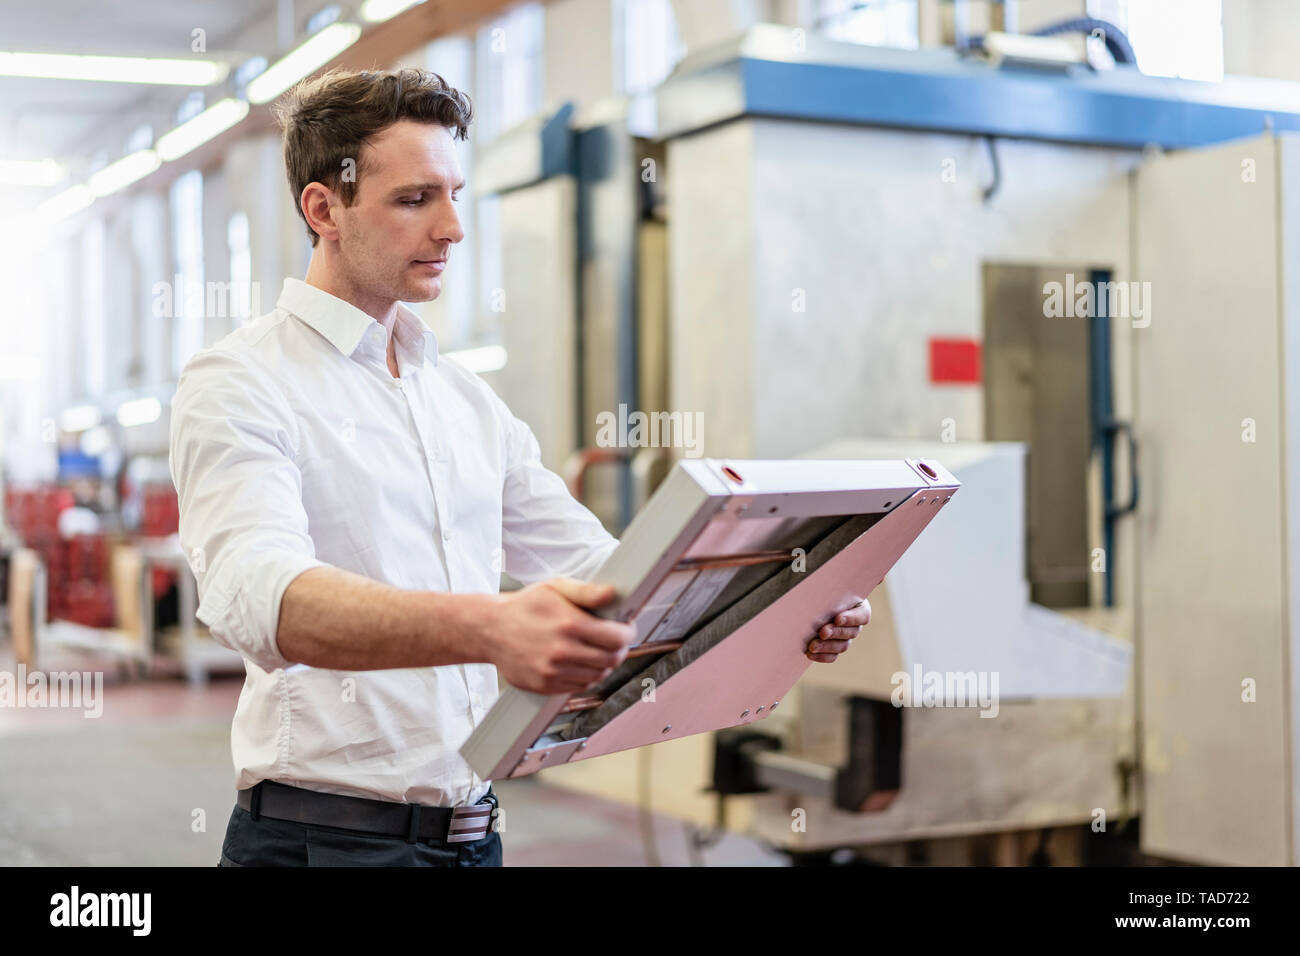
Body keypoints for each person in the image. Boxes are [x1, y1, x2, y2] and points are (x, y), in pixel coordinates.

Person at [169, 67, 869, 868]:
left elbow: (608, 575)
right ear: (324, 209)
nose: (454, 228)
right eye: (415, 199)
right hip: (323, 846)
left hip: (473, 839)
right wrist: (493, 627)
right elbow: (263, 598)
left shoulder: (462, 398)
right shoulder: (241, 380)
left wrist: (782, 602)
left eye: (455, 194)